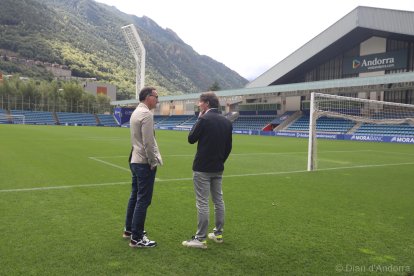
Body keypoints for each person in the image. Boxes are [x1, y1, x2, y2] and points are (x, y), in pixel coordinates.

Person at [182, 92, 233, 249]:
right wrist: (220, 161)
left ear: (206, 104)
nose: (199, 105)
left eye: (200, 102)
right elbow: (228, 147)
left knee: (203, 202)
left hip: (202, 167)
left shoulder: (203, 119)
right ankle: (218, 234)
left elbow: (191, 138)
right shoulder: (227, 121)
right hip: (218, 168)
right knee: (218, 200)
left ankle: (200, 238)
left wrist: (199, 118)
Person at [123, 87, 163, 248]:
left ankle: (129, 230)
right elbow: (148, 142)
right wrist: (153, 162)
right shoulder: (146, 114)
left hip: (134, 159)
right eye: (156, 96)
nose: (158, 100)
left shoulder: (136, 112)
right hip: (143, 162)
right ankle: (137, 238)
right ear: (148, 97)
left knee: (135, 196)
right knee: (143, 199)